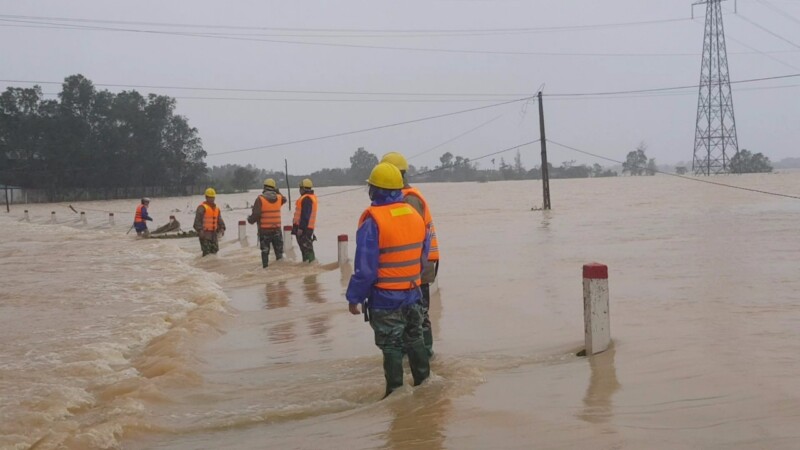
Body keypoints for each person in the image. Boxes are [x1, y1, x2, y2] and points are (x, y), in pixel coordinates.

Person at [346, 162, 431, 398]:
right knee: (415, 340)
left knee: (392, 346)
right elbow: (422, 257)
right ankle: (426, 385)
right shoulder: (414, 215)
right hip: (414, 293)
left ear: (375, 190)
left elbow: (365, 268)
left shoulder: (374, 220)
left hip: (385, 298)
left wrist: (354, 297)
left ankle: (395, 394)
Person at [381, 151, 440, 357]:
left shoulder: (409, 200)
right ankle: (418, 356)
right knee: (413, 315)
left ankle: (426, 354)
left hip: (419, 266)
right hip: (414, 265)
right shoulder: (404, 198)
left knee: (420, 314)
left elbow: (408, 236)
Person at [247, 178, 287, 268]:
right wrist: (278, 191)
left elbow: (256, 215)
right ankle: (280, 271)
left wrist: (249, 220)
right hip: (277, 230)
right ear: (274, 188)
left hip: (264, 231)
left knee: (265, 252)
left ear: (264, 187)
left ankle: (265, 269)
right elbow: (284, 199)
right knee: (279, 252)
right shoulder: (279, 198)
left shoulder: (260, 199)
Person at [193, 188, 226, 256]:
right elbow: (197, 221)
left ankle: (212, 266)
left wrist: (222, 228)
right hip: (205, 234)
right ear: (206, 197)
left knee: (215, 252)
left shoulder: (217, 208)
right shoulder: (201, 208)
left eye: (213, 197)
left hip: (214, 234)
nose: (212, 199)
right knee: (206, 253)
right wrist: (200, 230)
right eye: (210, 197)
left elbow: (219, 219)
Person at [291, 178, 318, 263]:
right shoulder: (309, 198)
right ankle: (308, 264)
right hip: (307, 228)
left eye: (300, 188)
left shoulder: (306, 199)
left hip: (304, 229)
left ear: (303, 188)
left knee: (306, 249)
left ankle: (310, 265)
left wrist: (301, 228)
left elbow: (305, 215)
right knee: (305, 248)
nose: (299, 190)